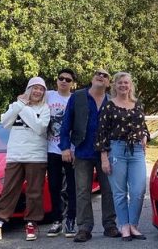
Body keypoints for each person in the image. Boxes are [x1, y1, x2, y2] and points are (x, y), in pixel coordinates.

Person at [0, 77, 51, 244]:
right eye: (35, 88)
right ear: (28, 89)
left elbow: (40, 128)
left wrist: (22, 107)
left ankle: (31, 223)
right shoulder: (16, 105)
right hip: (15, 155)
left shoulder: (45, 108)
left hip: (36, 156)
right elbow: (5, 122)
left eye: (41, 89)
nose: (38, 92)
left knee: (34, 192)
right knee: (9, 190)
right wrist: (19, 105)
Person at [58, 68, 120, 243]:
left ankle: (110, 225)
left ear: (108, 83)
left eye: (105, 75)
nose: (100, 76)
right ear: (92, 78)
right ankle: (84, 228)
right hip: (83, 151)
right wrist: (65, 147)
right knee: (82, 191)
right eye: (97, 74)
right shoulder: (77, 97)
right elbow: (66, 124)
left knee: (109, 190)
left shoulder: (112, 101)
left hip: (106, 153)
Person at [96, 72, 150, 242]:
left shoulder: (137, 104)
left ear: (130, 85)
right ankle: (124, 226)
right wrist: (104, 158)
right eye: (120, 83)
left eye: (126, 82)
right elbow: (101, 133)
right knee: (119, 193)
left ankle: (134, 224)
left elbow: (143, 126)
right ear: (115, 85)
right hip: (116, 149)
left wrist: (145, 136)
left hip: (137, 151)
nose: (123, 85)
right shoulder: (109, 106)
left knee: (138, 190)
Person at [46, 69, 77, 237]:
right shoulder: (48, 95)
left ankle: (71, 219)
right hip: (51, 149)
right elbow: (30, 95)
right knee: (54, 186)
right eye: (61, 78)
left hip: (71, 150)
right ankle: (56, 220)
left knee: (72, 187)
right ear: (57, 80)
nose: (64, 81)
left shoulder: (75, 98)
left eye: (68, 79)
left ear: (72, 83)